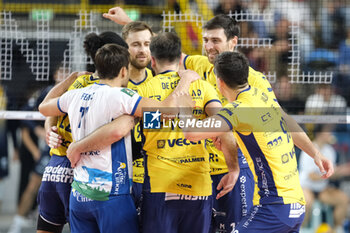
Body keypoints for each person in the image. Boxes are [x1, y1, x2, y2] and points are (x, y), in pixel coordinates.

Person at [181, 14, 332, 232]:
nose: (208, 46)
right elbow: (285, 120)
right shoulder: (262, 99)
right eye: (206, 40)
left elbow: (191, 133)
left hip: (273, 204)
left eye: (215, 40)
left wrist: (185, 104)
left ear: (220, 82)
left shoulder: (239, 108)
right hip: (294, 202)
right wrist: (316, 153)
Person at [38, 43, 191, 233]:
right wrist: (185, 81)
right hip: (111, 195)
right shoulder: (122, 96)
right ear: (123, 71)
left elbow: (44, 107)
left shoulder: (75, 95)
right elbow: (167, 112)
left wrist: (70, 78)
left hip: (79, 196)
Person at [36, 31, 128, 233]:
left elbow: (45, 107)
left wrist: (49, 127)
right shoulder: (117, 92)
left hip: (54, 169)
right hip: (84, 170)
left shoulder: (77, 84)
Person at [7, 66, 64, 233]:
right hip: (51, 148)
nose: (64, 75)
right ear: (55, 74)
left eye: (67, 71)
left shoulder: (78, 89)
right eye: (61, 71)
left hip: (72, 149)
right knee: (33, 185)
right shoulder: (47, 92)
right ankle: (18, 222)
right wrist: (39, 130)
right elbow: (26, 116)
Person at [299, 124, 349, 232]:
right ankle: (301, 229)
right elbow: (312, 176)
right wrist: (331, 173)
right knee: (306, 202)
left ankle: (336, 229)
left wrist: (343, 171)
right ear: (320, 134)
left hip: (322, 189)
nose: (331, 134)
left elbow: (332, 172)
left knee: (343, 199)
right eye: (328, 132)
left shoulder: (330, 151)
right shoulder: (308, 149)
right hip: (307, 187)